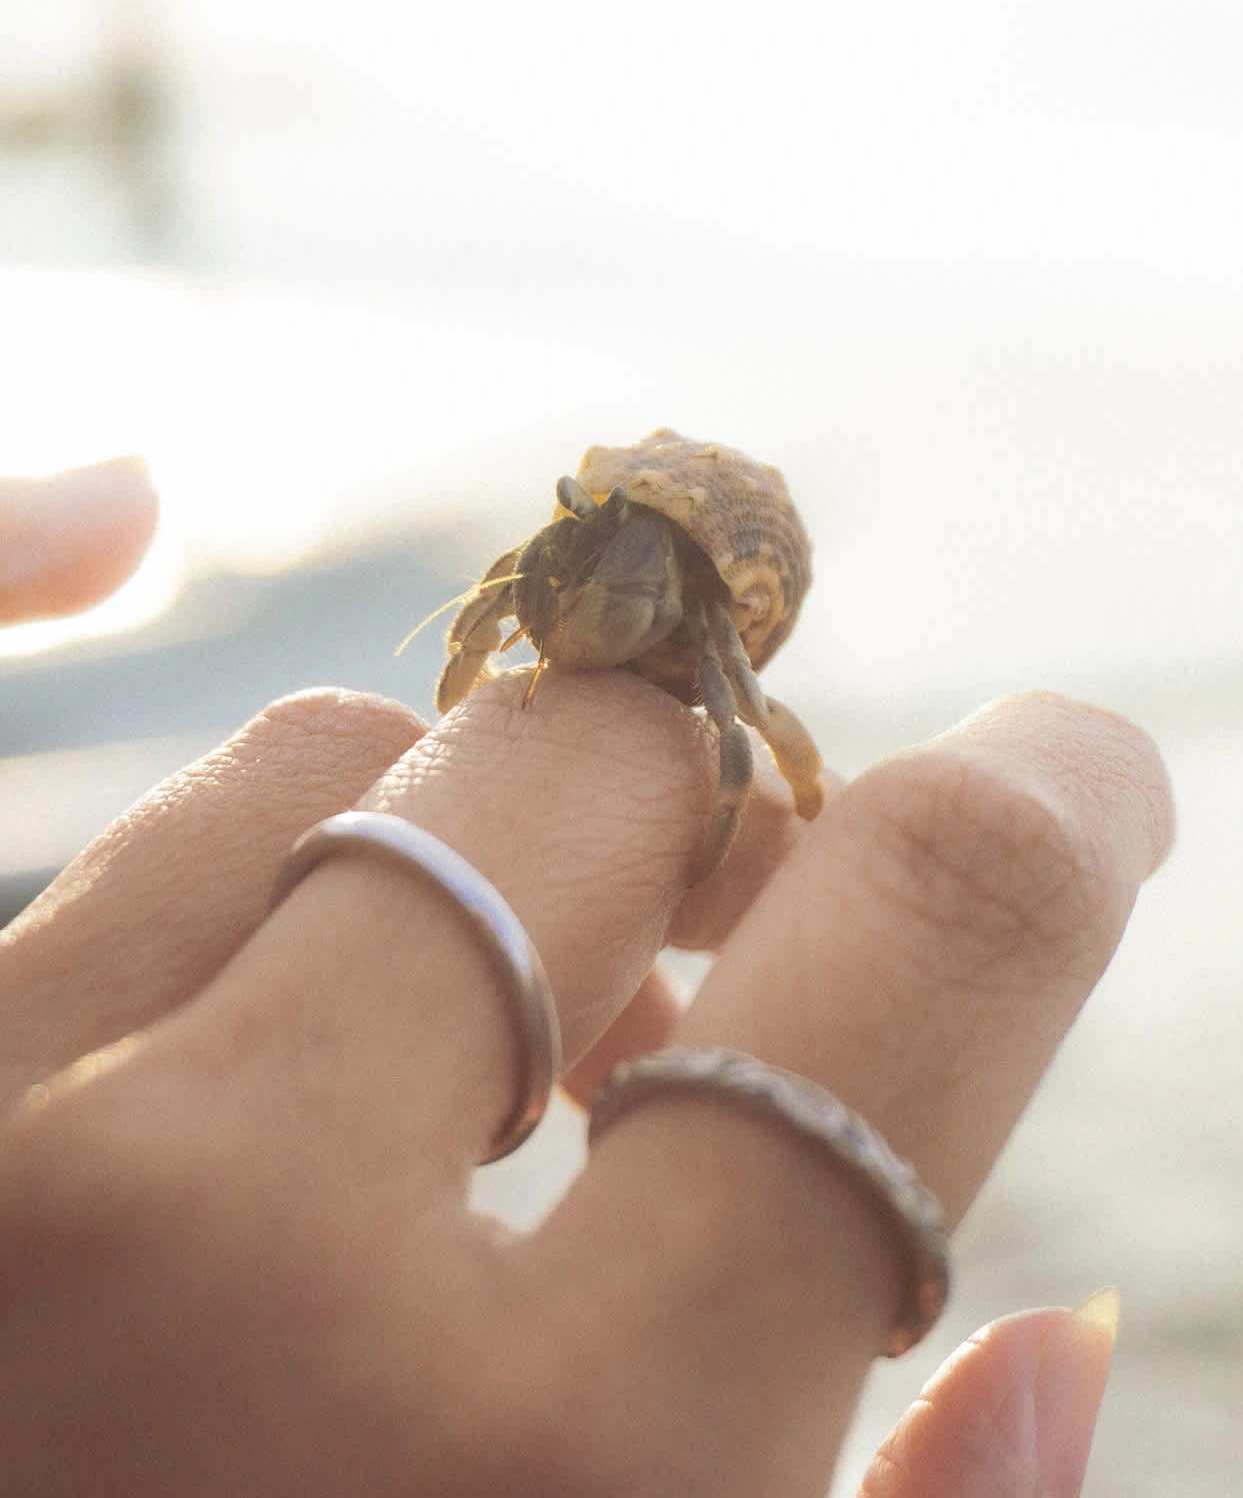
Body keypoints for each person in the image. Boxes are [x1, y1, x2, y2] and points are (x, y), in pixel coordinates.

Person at [0, 457, 1174, 1497]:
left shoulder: (699, 617)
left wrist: (788, 799)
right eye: (582, 529)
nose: (583, 549)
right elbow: (515, 594)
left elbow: (746, 715)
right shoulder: (575, 548)